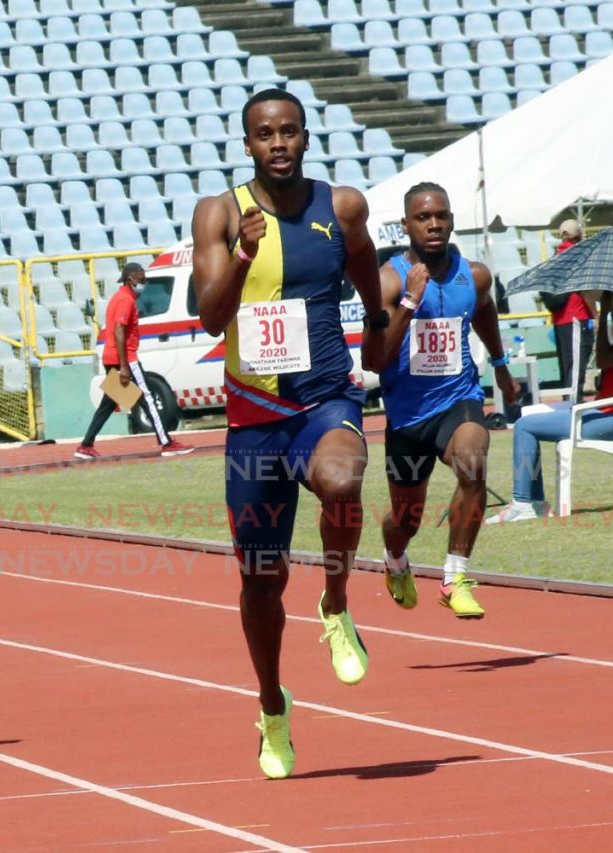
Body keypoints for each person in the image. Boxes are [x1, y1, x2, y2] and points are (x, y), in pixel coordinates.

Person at [191, 88, 386, 780]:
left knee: (342, 478)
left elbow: (368, 273)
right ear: (248, 145)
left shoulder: (342, 207)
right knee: (259, 582)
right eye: (264, 134)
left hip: (323, 401)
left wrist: (378, 328)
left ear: (306, 137)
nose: (278, 143)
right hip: (253, 422)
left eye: (289, 132)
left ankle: (334, 602)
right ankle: (273, 705)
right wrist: (243, 259)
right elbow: (212, 318)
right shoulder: (219, 213)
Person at [377, 183, 520, 620]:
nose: (434, 224)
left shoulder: (473, 275)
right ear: (406, 226)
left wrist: (499, 363)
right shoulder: (389, 279)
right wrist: (409, 301)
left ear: (452, 219)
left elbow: (483, 309)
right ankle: (395, 560)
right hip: (405, 417)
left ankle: (455, 576)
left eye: (441, 215)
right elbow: (376, 357)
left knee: (474, 457)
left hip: (458, 399)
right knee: (406, 520)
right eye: (423, 217)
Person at [487, 292, 613, 523]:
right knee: (529, 417)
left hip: (612, 418)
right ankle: (531, 503)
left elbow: (603, 360)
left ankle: (525, 502)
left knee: (525, 425)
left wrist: (604, 311)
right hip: (606, 412)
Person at [74, 262, 194, 459]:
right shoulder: (125, 301)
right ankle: (167, 443)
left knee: (109, 403)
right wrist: (124, 366)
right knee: (147, 398)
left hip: (111, 356)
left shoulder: (119, 297)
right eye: (141, 280)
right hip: (126, 359)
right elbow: (119, 331)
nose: (144, 284)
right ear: (130, 279)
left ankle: (86, 445)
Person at [547, 219, 596, 402]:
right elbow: (586, 291)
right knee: (576, 368)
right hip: (576, 318)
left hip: (560, 320)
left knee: (567, 367)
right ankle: (575, 407)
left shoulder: (555, 256)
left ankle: (569, 404)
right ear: (579, 235)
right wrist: (597, 316)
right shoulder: (577, 256)